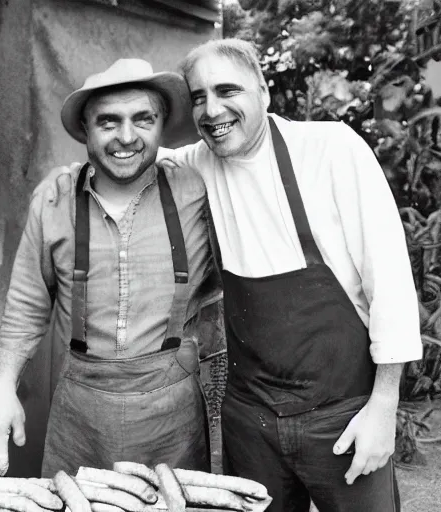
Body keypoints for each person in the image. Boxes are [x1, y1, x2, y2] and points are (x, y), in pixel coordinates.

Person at [157, 39, 423, 511]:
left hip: (343, 415)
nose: (212, 109)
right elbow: (131, 161)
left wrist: (383, 407)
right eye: (198, 97)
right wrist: (74, 177)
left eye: (226, 90)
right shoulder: (196, 163)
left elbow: (391, 282)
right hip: (250, 419)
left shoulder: (330, 149)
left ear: (263, 92)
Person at [0, 59, 220, 477]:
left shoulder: (197, 190)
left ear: (161, 126)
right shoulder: (54, 199)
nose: (126, 137)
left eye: (143, 119)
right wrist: (2, 386)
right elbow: (26, 304)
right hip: (81, 419)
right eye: (109, 122)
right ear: (85, 130)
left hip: (173, 420)